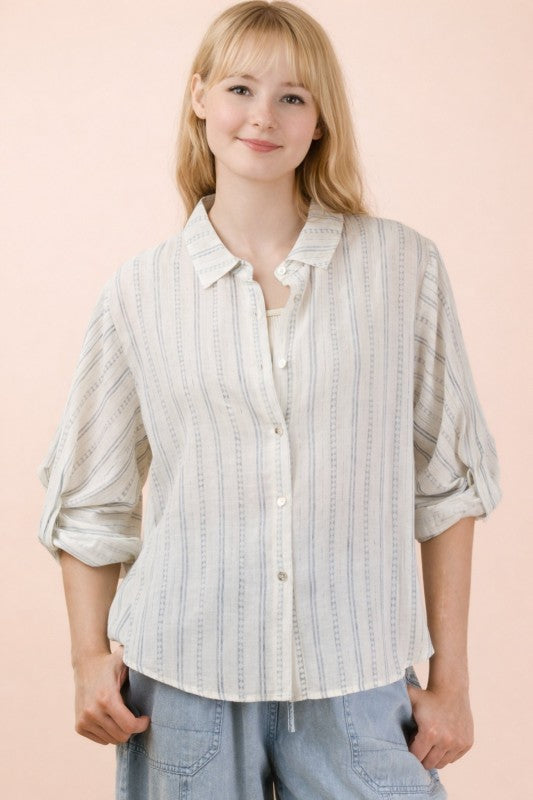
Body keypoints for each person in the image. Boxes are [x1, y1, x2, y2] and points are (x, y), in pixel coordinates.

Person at [37, 2, 502, 798]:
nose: (262, 116)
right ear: (199, 98)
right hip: (182, 683)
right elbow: (89, 497)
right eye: (239, 89)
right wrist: (87, 659)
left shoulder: (400, 270)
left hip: (357, 677)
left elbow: (448, 484)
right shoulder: (140, 292)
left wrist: (450, 680)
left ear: (319, 121)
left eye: (292, 97)